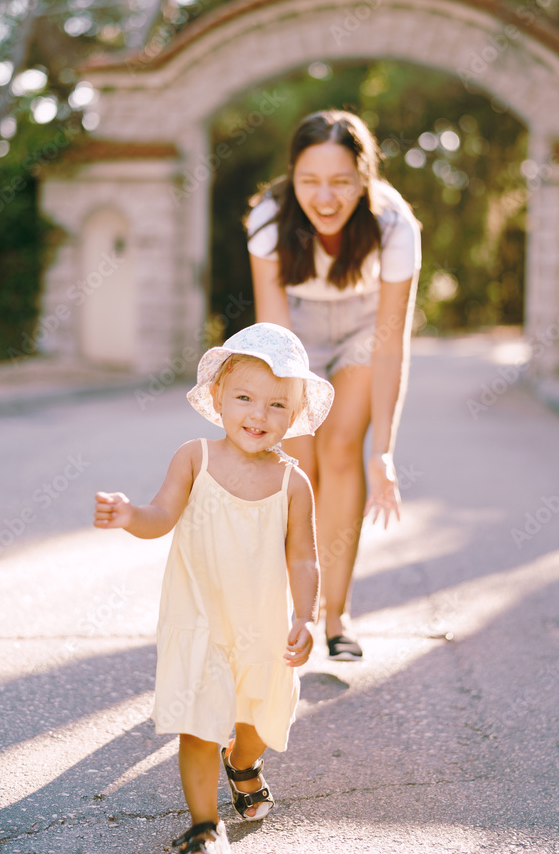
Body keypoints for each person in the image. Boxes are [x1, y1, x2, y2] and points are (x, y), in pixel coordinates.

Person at [93, 323, 334, 854]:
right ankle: (205, 826)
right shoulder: (194, 457)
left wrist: (306, 616)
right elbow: (161, 516)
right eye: (245, 398)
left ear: (294, 414)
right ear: (218, 396)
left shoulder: (293, 483)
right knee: (198, 724)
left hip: (263, 627)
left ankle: (242, 761)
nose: (258, 414)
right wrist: (131, 515)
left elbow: (303, 557)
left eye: (277, 404)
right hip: (199, 620)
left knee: (258, 722)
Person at [246, 109, 421, 661]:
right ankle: (299, 612)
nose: (325, 198)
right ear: (292, 176)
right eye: (310, 181)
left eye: (341, 181)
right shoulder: (269, 220)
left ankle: (337, 617)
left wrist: (383, 451)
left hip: (366, 328)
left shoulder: (395, 226)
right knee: (300, 463)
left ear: (364, 177)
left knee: (343, 447)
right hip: (296, 332)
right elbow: (276, 338)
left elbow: (390, 344)